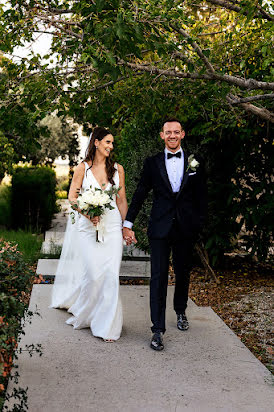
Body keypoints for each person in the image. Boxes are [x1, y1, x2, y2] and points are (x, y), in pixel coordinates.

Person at [123, 118, 207, 351]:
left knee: (182, 273)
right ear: (162, 135)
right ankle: (157, 329)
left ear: (182, 134)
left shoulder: (195, 162)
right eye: (168, 132)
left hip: (185, 228)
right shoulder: (152, 163)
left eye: (176, 132)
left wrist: (199, 224)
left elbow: (202, 197)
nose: (172, 135)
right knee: (158, 277)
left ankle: (180, 311)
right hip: (159, 227)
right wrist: (128, 222)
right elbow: (140, 192)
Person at [50, 127, 128, 342]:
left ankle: (107, 326)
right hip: (87, 228)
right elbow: (73, 197)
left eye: (112, 143)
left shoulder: (118, 170)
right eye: (107, 142)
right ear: (96, 142)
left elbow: (121, 200)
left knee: (111, 276)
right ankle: (87, 312)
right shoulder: (82, 169)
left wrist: (126, 227)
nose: (111, 147)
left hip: (112, 227)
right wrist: (87, 212)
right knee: (94, 274)